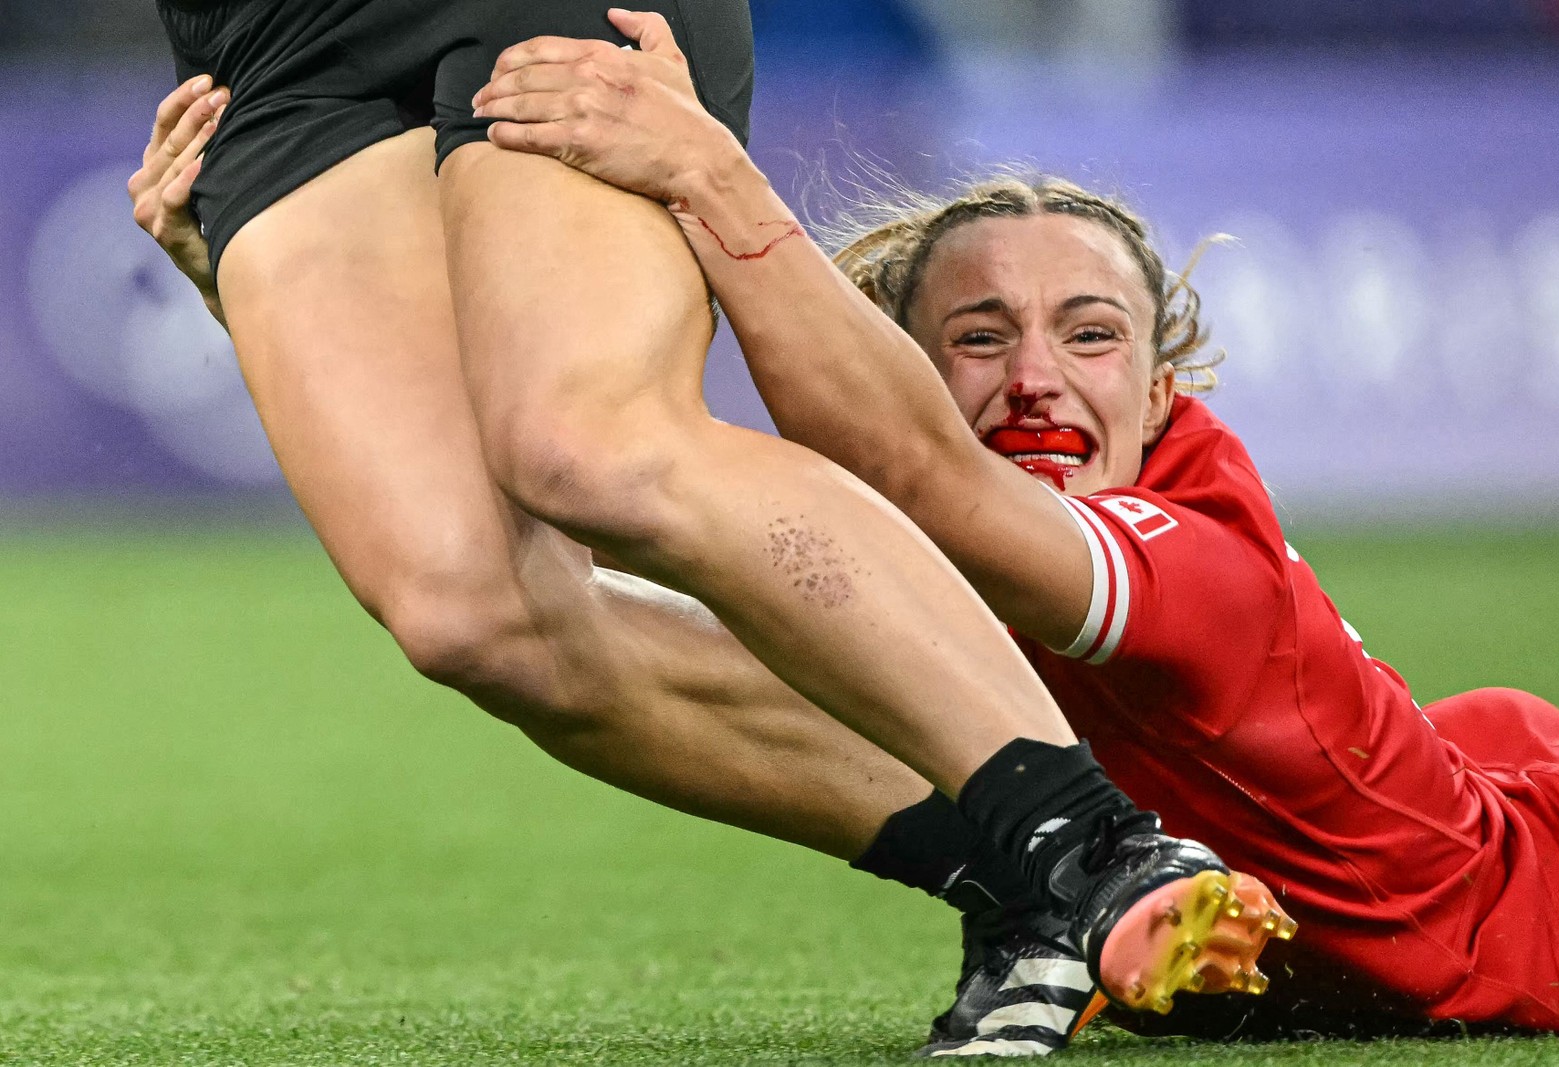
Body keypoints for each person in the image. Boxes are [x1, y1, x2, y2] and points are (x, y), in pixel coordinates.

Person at [131, 0, 1289, 1052]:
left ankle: (1096, 843)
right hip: (267, 48)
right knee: (468, 608)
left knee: (588, 442)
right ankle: (1015, 877)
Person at [454, 15, 1559, 1042]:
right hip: (1423, 787)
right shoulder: (885, 580)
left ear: (1161, 393)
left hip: (1551, 886)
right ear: (901, 367)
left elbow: (919, 469)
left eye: (1092, 335)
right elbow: (574, 621)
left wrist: (705, 171)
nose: (1038, 381)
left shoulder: (1200, 568)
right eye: (981, 338)